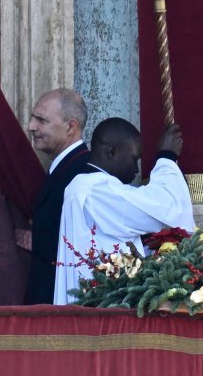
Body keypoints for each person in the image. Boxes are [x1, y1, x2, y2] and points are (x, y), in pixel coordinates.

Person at [54, 118, 195, 305]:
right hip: (104, 304)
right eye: (134, 159)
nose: (136, 170)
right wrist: (167, 157)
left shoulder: (84, 187)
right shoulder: (96, 189)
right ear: (112, 152)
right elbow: (167, 209)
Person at [24, 88, 92, 304]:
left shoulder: (83, 172)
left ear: (70, 126)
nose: (31, 126)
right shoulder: (64, 167)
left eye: (41, 120)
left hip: (63, 306)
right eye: (33, 118)